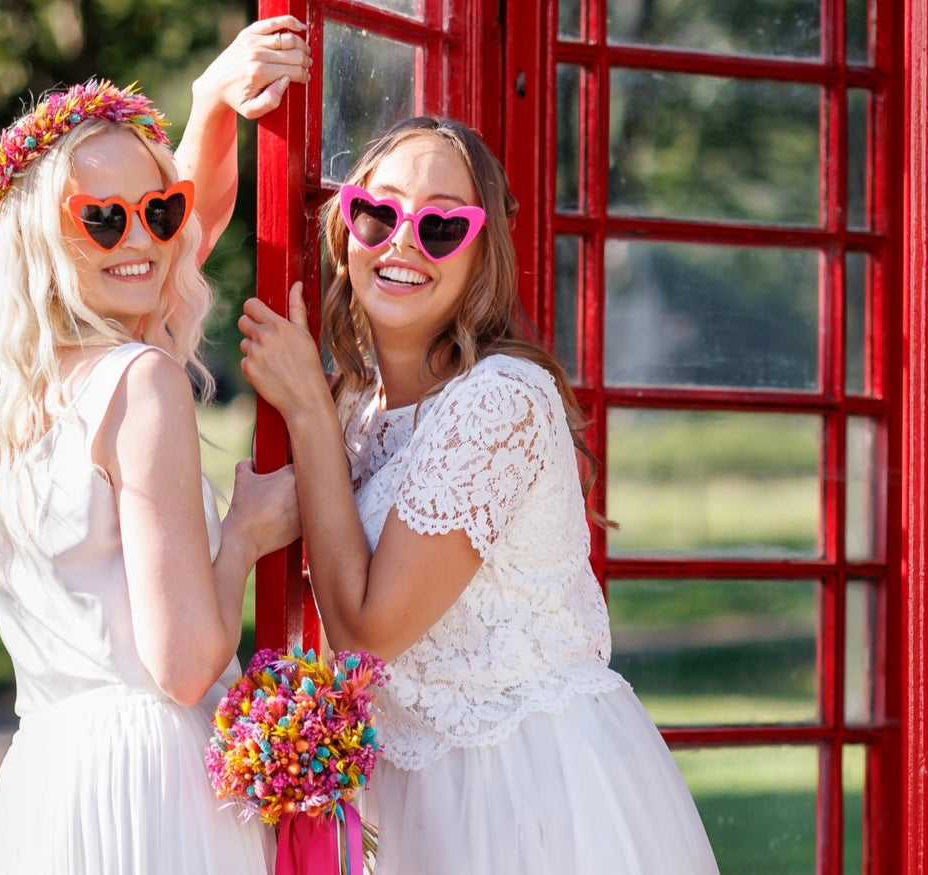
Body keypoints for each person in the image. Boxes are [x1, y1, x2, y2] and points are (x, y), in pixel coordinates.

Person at [236, 116, 720, 874]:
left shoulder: (500, 399)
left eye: (439, 227)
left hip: (531, 796)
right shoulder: (356, 409)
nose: (402, 242)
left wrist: (305, 412)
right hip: (414, 805)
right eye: (378, 212)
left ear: (481, 254)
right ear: (345, 227)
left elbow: (365, 635)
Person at [0, 18, 311, 874]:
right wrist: (244, 535)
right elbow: (184, 663)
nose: (139, 238)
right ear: (44, 239)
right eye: (102, 219)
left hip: (45, 782)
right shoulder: (140, 380)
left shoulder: (8, 397)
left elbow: (180, 238)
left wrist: (213, 105)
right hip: (152, 782)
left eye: (156, 210)